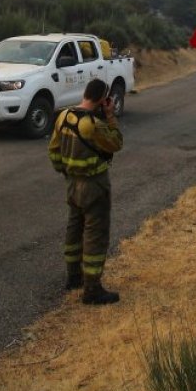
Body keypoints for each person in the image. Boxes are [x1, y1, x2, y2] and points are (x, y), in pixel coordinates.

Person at [48, 78, 124, 305]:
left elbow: (53, 151)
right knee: (95, 235)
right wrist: (110, 115)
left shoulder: (63, 117)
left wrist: (66, 172)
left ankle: (73, 277)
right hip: (94, 186)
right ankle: (92, 289)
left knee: (74, 228)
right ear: (103, 98)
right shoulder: (92, 124)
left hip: (72, 184)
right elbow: (116, 143)